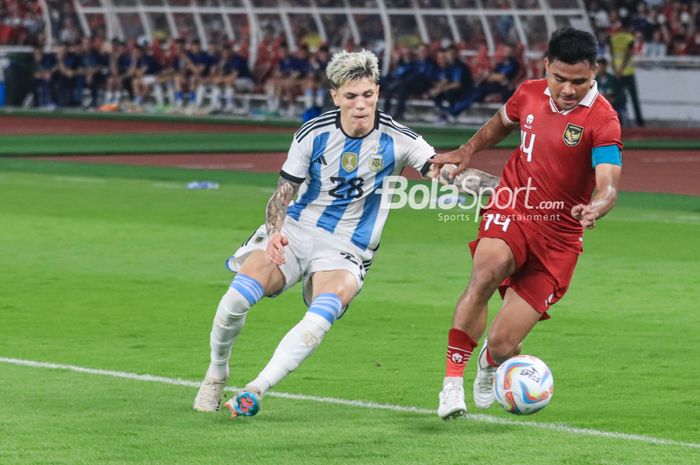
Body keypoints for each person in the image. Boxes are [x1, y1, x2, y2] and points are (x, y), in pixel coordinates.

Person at [192, 50, 496, 418]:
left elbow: (448, 175)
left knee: (323, 313)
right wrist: (274, 233)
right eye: (351, 97)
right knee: (236, 299)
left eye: (368, 95)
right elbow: (282, 193)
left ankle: (256, 389)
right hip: (296, 232)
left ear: (378, 93)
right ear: (335, 95)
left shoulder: (400, 140)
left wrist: (502, 189)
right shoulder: (313, 134)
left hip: (348, 248)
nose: (360, 105)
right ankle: (216, 373)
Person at [430, 27, 623, 420]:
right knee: (485, 271)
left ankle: (489, 362)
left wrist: (596, 207)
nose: (568, 89)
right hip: (512, 208)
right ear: (546, 66)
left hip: (559, 240)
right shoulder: (529, 92)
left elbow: (608, 184)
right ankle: (451, 384)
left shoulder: (603, 120)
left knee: (503, 346)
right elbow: (501, 124)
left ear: (595, 72)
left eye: (579, 81)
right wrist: (467, 151)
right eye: (560, 78)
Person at [609, 17, 645, 127]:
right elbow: (628, 55)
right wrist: (622, 70)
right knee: (634, 98)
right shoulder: (629, 38)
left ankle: (612, 120)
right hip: (628, 72)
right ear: (628, 27)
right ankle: (640, 122)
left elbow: (612, 55)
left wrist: (616, 70)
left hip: (616, 72)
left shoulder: (613, 38)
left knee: (615, 98)